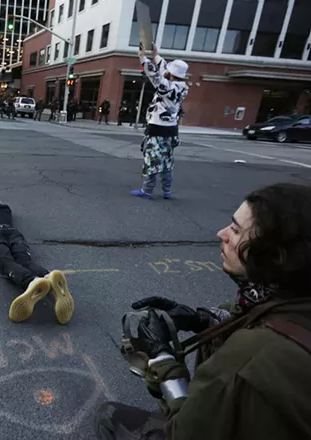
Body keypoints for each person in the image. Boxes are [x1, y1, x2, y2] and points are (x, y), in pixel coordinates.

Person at [96, 183, 311, 440]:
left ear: (274, 256)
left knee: (109, 416)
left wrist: (161, 360)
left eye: (235, 229)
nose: (222, 234)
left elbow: (184, 433)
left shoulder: (250, 354)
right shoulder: (295, 294)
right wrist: (202, 319)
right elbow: (261, 315)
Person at [0, 187, 74, 324]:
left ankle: (31, 281)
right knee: (25, 260)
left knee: (5, 261)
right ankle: (47, 276)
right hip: (13, 232)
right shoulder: (5, 209)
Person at [131, 43, 189, 200]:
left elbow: (156, 77)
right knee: (167, 161)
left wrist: (143, 58)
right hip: (171, 130)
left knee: (153, 160)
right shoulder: (181, 87)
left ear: (171, 73)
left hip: (158, 129)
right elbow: (163, 71)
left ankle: (147, 191)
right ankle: (166, 190)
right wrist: (155, 55)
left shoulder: (169, 87)